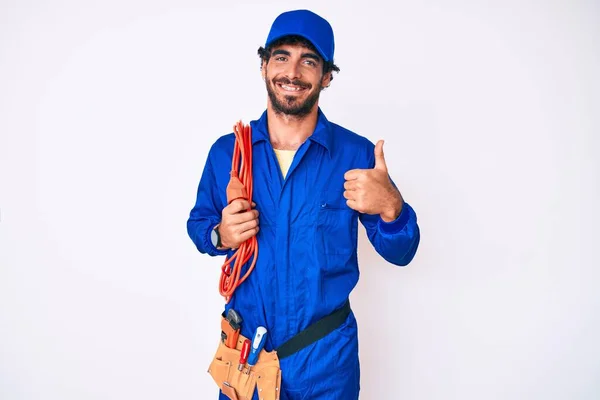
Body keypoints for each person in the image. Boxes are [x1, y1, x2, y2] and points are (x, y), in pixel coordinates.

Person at [187, 9, 420, 400]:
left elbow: (402, 252)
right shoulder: (228, 153)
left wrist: (392, 208)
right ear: (263, 65)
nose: (292, 72)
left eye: (308, 60)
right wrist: (221, 234)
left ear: (326, 76)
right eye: (281, 56)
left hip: (326, 362)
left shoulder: (354, 154)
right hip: (247, 357)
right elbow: (200, 226)